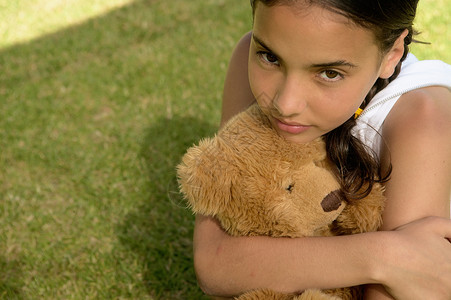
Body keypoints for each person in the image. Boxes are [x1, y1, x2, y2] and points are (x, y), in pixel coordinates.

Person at [193, 0, 451, 299]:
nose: (285, 104)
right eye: (270, 57)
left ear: (392, 54)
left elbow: (419, 280)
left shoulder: (423, 121)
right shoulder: (246, 54)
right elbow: (214, 262)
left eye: (329, 73)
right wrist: (384, 255)